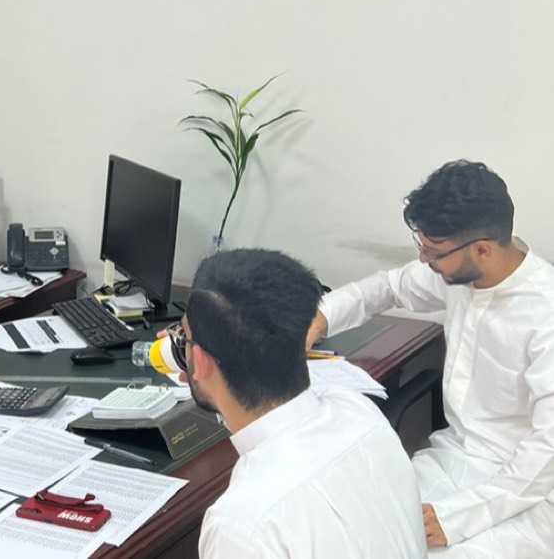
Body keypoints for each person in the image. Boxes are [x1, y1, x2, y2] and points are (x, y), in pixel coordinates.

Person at [307, 160, 554, 556]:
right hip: (451, 458)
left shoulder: (545, 313)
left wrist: (455, 519)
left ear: (483, 249)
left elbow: (545, 455)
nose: (424, 260)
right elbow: (387, 287)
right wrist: (321, 317)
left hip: (525, 495)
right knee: (356, 533)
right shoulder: (461, 275)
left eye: (433, 252)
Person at [178, 248, 426, 558]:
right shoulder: (359, 411)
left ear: (200, 362)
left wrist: (206, 379)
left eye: (183, 337)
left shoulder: (239, 526)